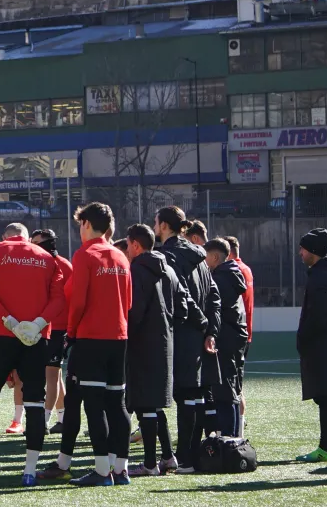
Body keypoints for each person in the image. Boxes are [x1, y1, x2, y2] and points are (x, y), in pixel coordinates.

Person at [0, 222, 65, 488]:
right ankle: (29, 471)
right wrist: (37, 323)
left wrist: (9, 320)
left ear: (5, 237)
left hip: (1, 337)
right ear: (27, 238)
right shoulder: (47, 258)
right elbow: (59, 300)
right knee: (35, 402)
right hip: (36, 339)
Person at [65, 203, 132, 488]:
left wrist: (70, 333)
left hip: (91, 338)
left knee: (94, 406)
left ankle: (102, 471)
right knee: (117, 404)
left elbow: (78, 300)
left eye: (80, 224)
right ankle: (121, 469)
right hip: (119, 337)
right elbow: (128, 301)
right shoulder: (120, 256)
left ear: (87, 224)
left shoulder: (84, 255)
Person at [154, 206, 219, 474]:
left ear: (165, 226)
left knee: (186, 396)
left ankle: (186, 458)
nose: (154, 227)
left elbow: (181, 297)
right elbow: (214, 296)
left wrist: (203, 324)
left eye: (156, 222)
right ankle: (191, 456)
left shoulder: (169, 255)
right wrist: (211, 331)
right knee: (197, 396)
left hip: (183, 333)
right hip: (200, 335)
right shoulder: (201, 257)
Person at [122, 224, 182, 477]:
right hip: (164, 341)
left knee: (146, 404)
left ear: (135, 245)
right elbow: (182, 306)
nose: (125, 249)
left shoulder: (137, 270)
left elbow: (135, 312)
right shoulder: (168, 269)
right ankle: (168, 457)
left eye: (126, 245)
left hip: (142, 344)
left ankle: (149, 464)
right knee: (155, 404)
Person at [295, 229, 327, 462]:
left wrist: (304, 339)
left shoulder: (319, 277)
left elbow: (319, 314)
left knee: (326, 397)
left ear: (313, 252)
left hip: (324, 345)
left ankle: (325, 448)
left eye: (303, 249)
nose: (300, 253)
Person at [204, 238, 248, 438]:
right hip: (235, 339)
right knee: (230, 391)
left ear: (214, 257)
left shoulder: (221, 279)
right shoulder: (231, 275)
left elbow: (216, 310)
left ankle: (228, 439)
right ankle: (232, 437)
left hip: (226, 340)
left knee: (225, 393)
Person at [31, 229, 71, 434]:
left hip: (58, 328)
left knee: (51, 375)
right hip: (43, 327)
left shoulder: (62, 265)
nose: (32, 245)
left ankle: (43, 421)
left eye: (36, 242)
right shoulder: (41, 264)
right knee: (55, 375)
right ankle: (62, 418)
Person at [225, 236, 255, 437]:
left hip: (237, 333)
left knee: (233, 387)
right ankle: (238, 428)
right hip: (246, 332)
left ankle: (237, 432)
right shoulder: (246, 269)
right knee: (236, 385)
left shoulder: (235, 270)